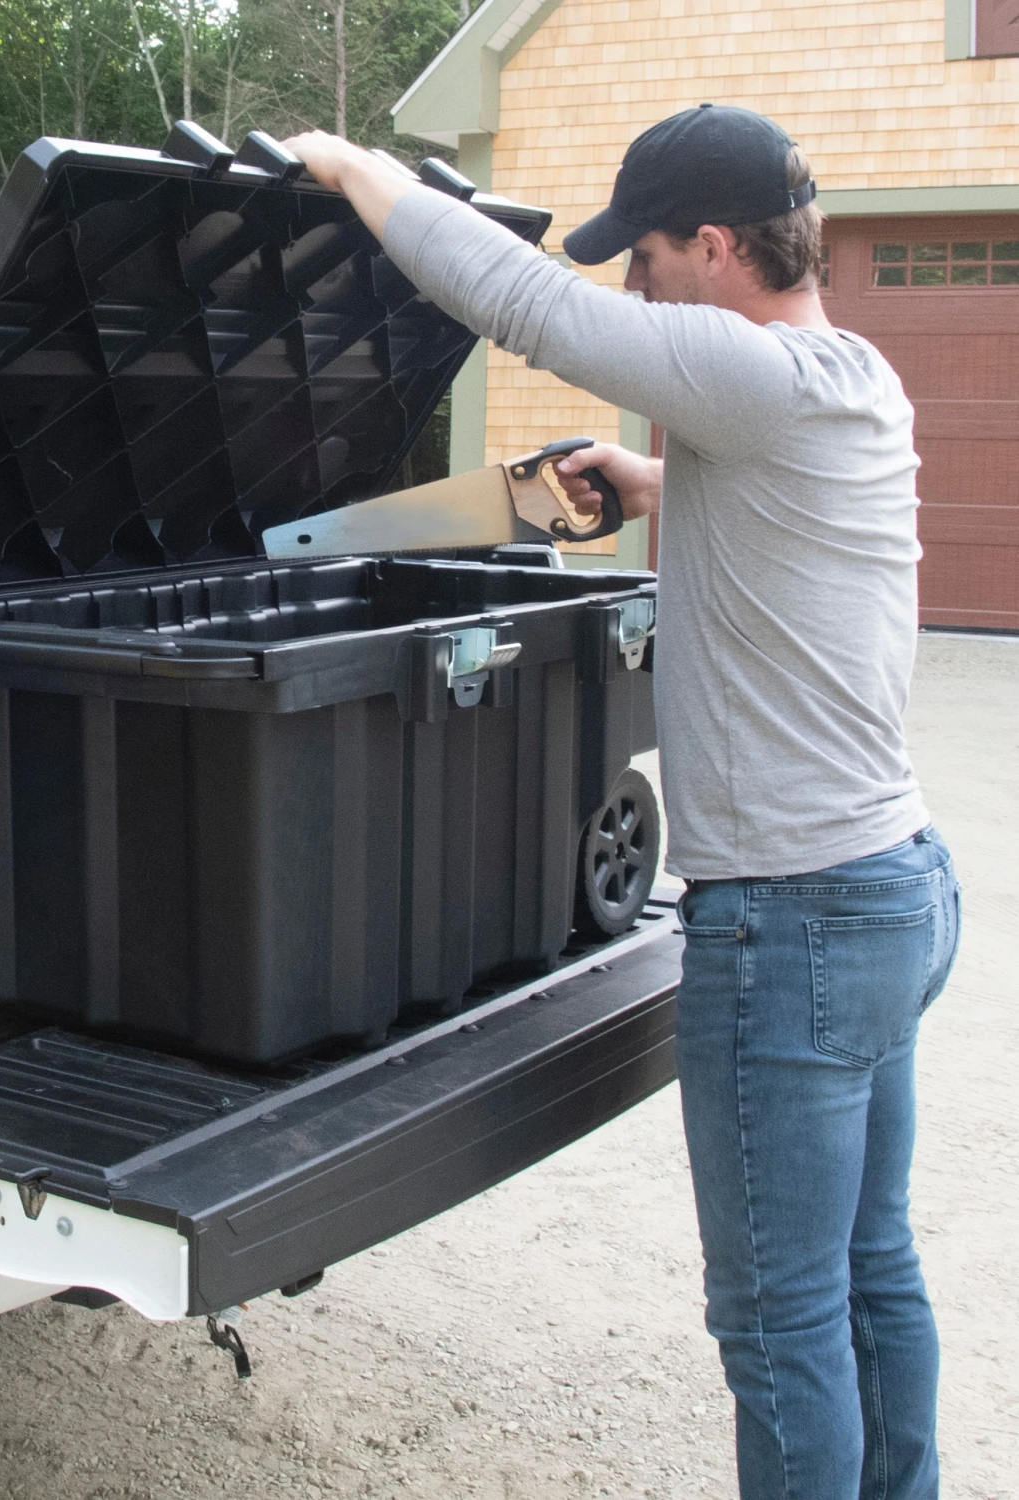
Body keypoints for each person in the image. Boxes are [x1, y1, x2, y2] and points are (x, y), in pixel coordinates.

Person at [283, 105, 960, 1500]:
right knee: (867, 1268)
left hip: (799, 920)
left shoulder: (746, 373)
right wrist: (657, 481)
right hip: (893, 883)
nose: (632, 286)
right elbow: (787, 508)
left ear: (714, 247)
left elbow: (522, 303)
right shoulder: (846, 376)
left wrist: (357, 171)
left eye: (644, 257)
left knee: (777, 1324)